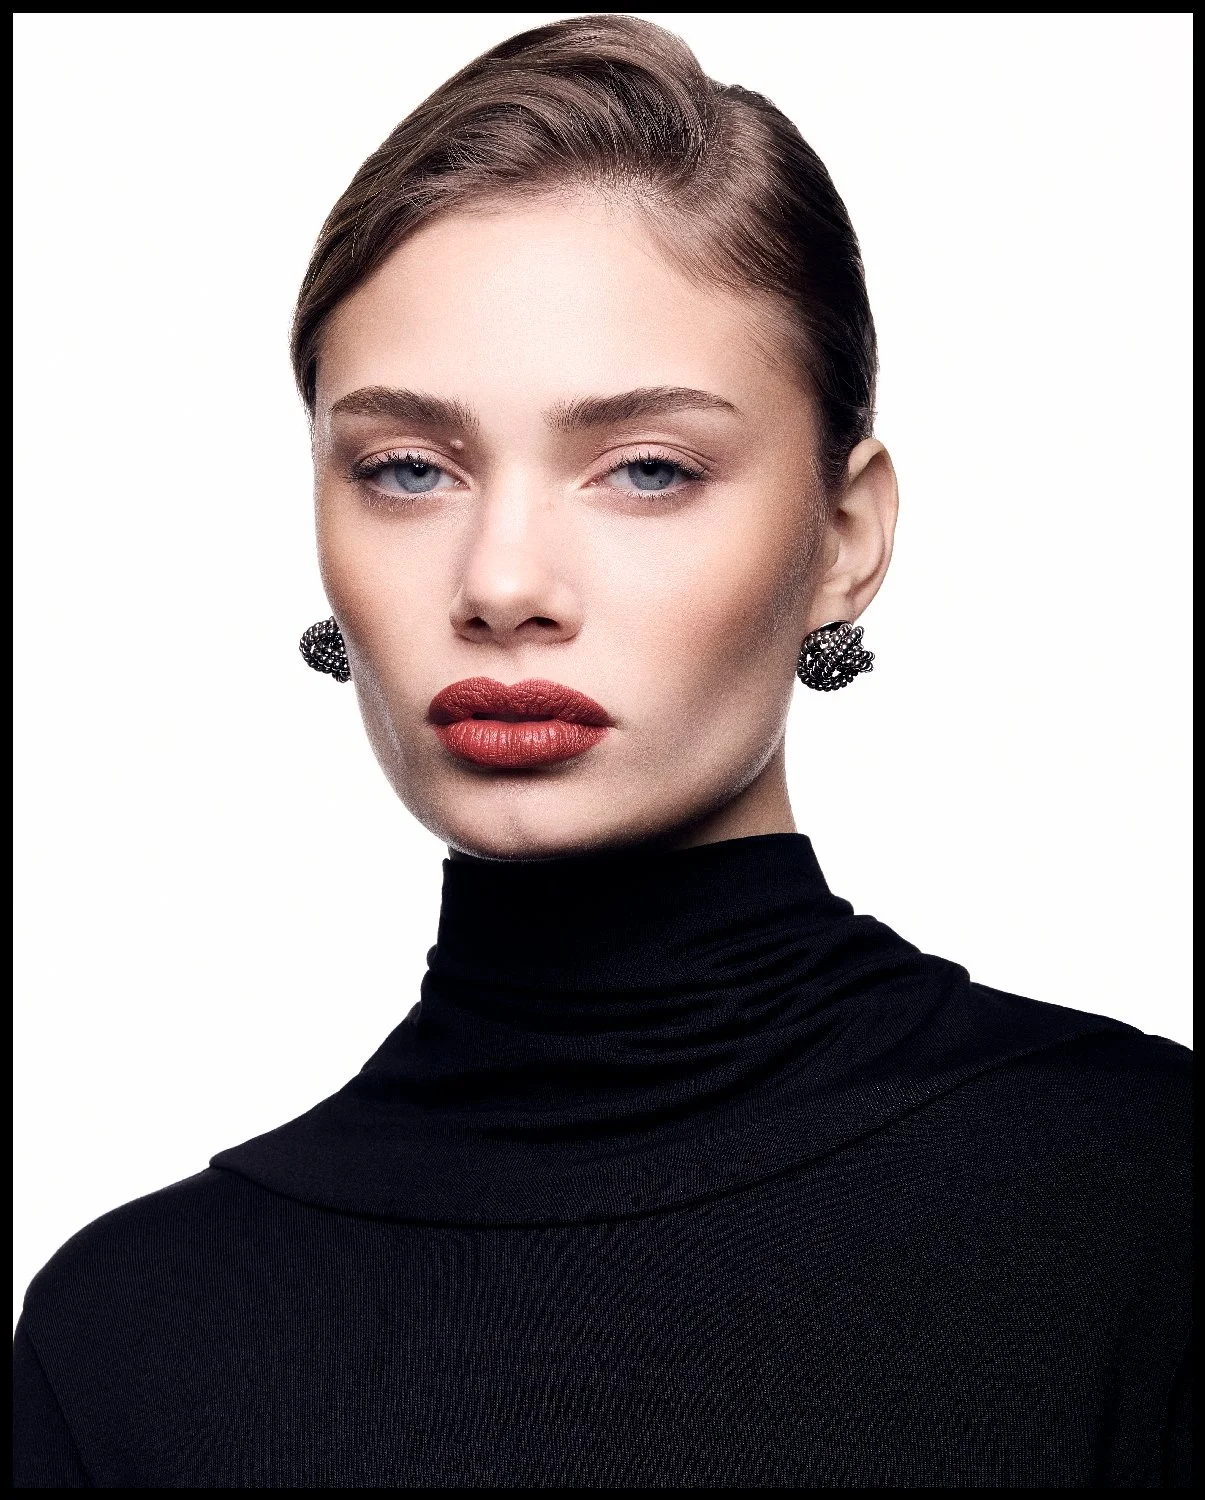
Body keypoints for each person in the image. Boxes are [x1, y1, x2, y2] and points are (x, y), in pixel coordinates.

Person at [12, 15, 1191, 1489]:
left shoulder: (1143, 1204)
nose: (503, 581)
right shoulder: (131, 1333)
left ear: (847, 537)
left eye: (647, 468)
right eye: (406, 470)